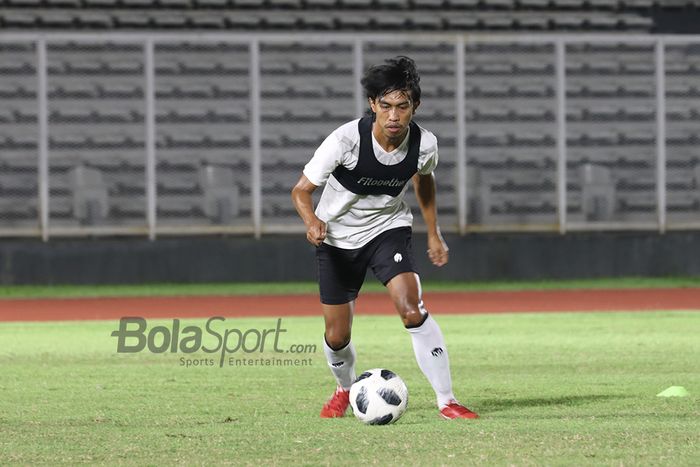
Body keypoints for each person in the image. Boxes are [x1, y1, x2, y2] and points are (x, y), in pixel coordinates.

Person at [291, 56, 478, 420]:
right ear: (373, 105)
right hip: (337, 238)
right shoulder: (345, 140)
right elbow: (300, 191)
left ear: (415, 107)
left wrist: (434, 233)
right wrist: (312, 220)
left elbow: (424, 180)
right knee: (336, 336)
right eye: (386, 106)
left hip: (386, 230)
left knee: (412, 310)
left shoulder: (424, 144)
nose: (394, 116)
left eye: (402, 107)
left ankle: (447, 400)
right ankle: (345, 389)